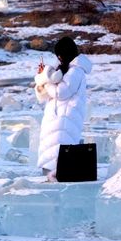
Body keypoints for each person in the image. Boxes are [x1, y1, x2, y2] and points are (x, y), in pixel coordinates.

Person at [34, 36, 93, 181]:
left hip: (66, 118)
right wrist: (42, 79)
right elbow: (43, 96)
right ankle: (51, 179)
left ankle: (59, 181)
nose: (58, 58)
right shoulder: (62, 70)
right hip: (56, 117)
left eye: (59, 55)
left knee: (60, 151)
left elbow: (61, 92)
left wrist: (47, 82)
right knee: (51, 150)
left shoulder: (76, 72)